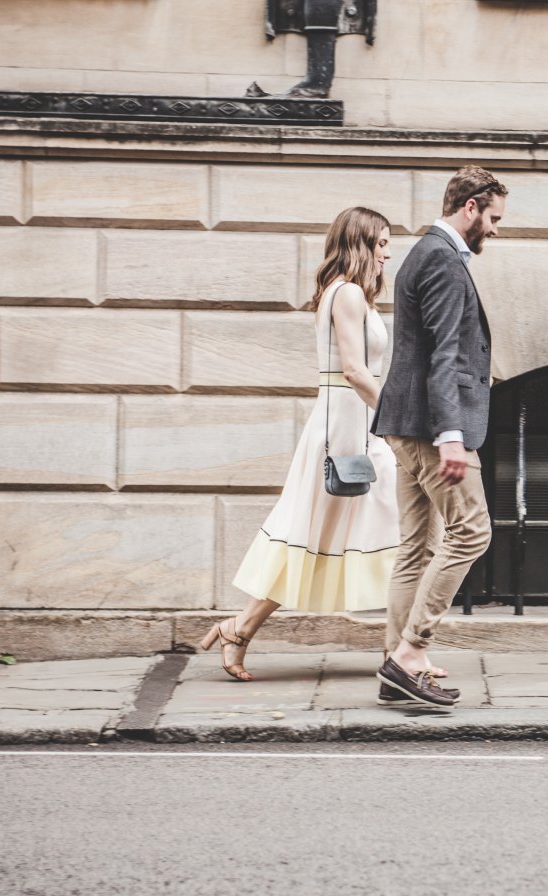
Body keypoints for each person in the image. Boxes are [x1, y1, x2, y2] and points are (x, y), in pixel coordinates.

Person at [202, 206, 400, 681]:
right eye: (382, 244)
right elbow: (353, 371)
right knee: (324, 536)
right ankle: (407, 652)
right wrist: (397, 419)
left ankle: (405, 649)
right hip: (348, 431)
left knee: (349, 535)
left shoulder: (343, 292)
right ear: (361, 244)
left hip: (352, 426)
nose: (388, 254)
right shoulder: (348, 294)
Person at [373, 166, 508, 707]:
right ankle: (410, 652)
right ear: (470, 207)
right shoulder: (444, 262)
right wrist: (451, 435)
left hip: (404, 425)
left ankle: (396, 664)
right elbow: (445, 355)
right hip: (432, 429)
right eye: (494, 218)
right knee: (472, 532)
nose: (496, 230)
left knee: (417, 548)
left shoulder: (423, 254)